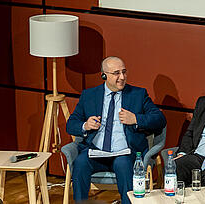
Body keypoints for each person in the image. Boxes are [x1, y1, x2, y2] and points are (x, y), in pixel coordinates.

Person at [66, 56, 166, 204]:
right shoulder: (89, 95)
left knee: (124, 165)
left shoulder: (138, 95)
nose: (122, 77)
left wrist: (136, 119)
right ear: (104, 75)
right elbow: (71, 124)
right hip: (96, 151)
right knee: (80, 163)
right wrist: (85, 126)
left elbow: (160, 119)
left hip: (124, 152)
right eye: (116, 73)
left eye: (124, 72)